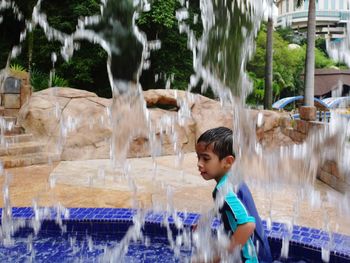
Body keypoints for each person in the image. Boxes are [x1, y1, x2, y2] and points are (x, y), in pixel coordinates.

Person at [195, 127, 272, 262]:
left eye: (205, 159)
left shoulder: (226, 190)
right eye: (198, 157)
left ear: (228, 162)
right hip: (260, 253)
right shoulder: (232, 180)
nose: (199, 164)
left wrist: (220, 256)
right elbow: (227, 206)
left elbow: (248, 225)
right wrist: (206, 219)